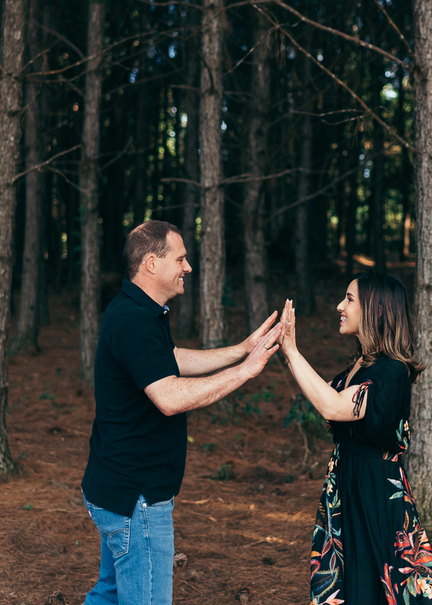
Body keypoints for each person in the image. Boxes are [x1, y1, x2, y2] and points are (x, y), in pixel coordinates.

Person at [81, 220, 282, 605]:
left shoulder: (134, 309)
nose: (188, 267)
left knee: (108, 594)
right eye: (181, 258)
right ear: (152, 264)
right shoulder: (135, 320)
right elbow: (169, 396)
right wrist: (244, 371)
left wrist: (240, 349)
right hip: (135, 499)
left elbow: (167, 361)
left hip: (114, 488)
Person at [278, 273, 432, 605]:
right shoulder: (358, 366)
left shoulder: (392, 371)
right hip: (347, 484)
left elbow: (333, 405)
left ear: (377, 309)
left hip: (375, 493)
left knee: (375, 586)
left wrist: (292, 350)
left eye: (350, 299)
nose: (339, 306)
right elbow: (328, 407)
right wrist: (287, 352)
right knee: (352, 584)